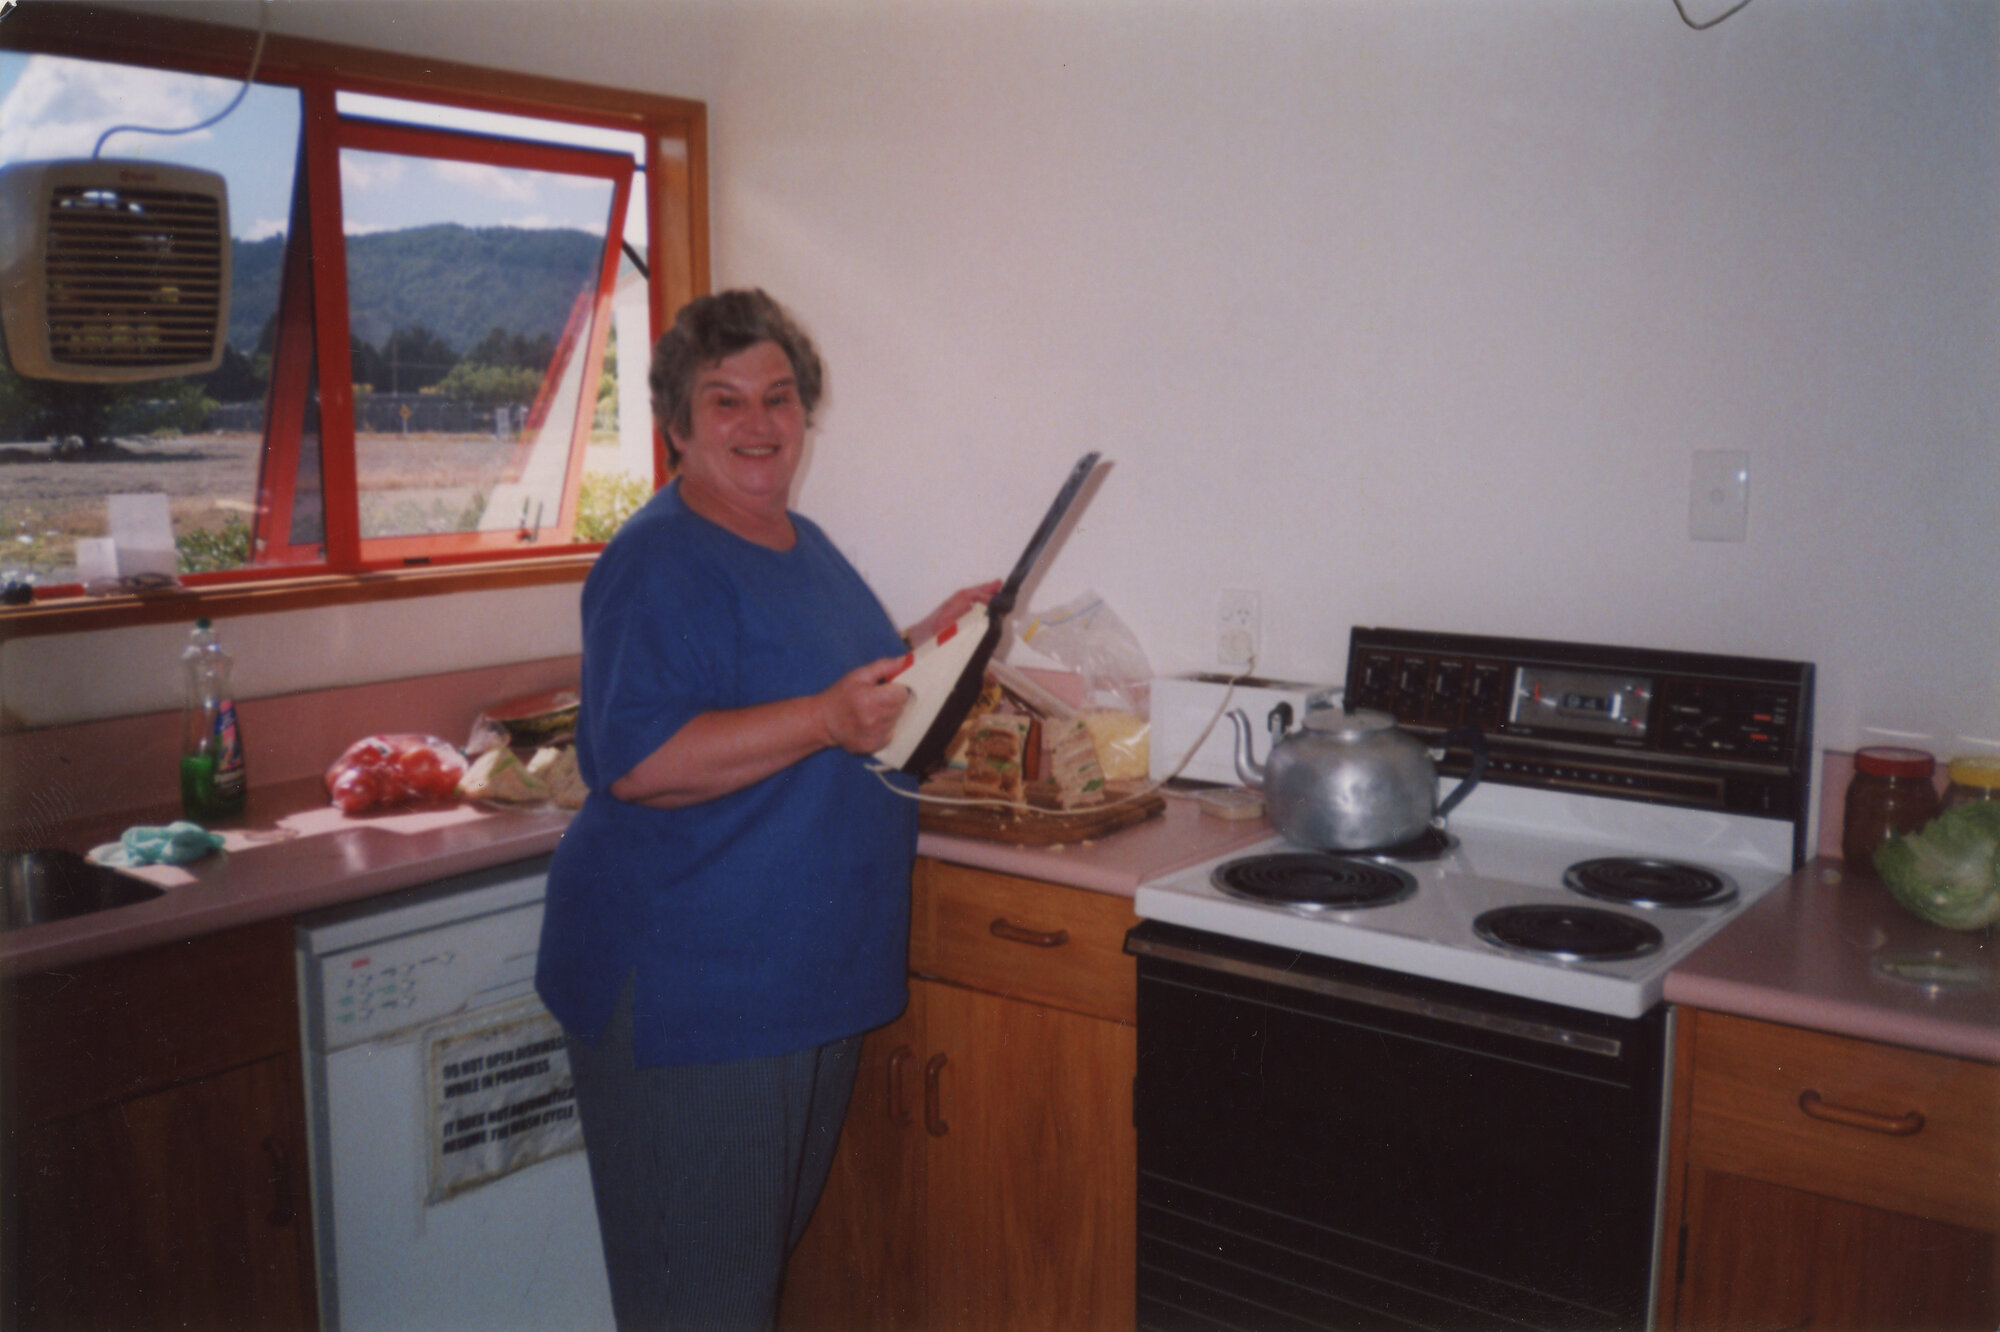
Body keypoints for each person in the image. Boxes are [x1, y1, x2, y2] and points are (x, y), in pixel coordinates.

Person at [535, 288, 996, 1331]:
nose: (758, 425)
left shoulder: (798, 541)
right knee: (699, 1305)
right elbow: (642, 759)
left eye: (778, 398)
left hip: (797, 979)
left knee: (733, 1287)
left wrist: (931, 639)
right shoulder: (654, 562)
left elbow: (829, 689)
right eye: (726, 401)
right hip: (696, 996)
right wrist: (827, 718)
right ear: (678, 425)